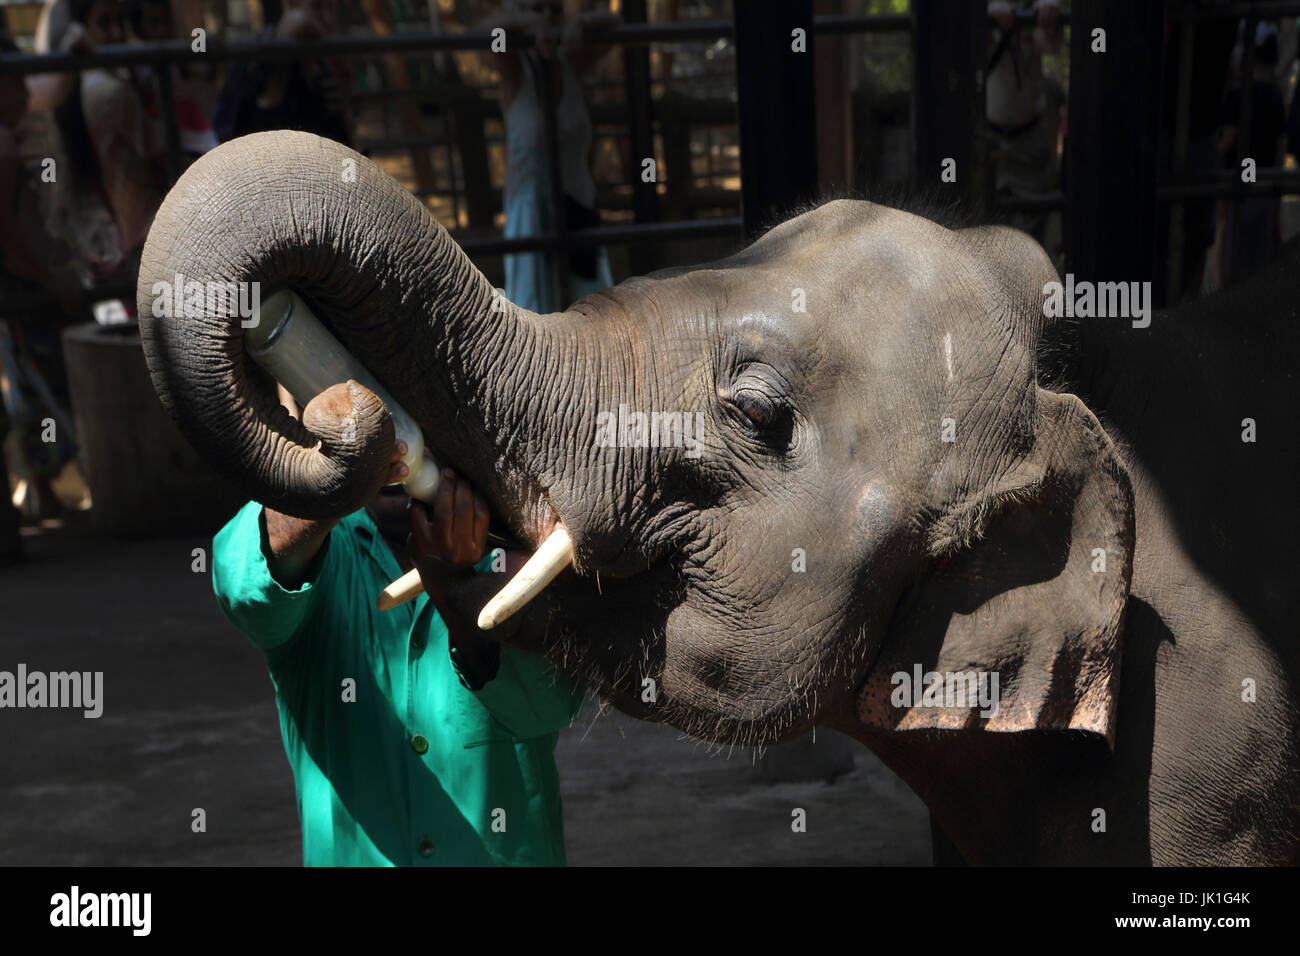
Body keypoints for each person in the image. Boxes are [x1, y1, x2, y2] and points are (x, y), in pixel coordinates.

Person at [211, 427, 585, 867]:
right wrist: (332, 478)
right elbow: (242, 586)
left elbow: (550, 704)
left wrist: (456, 590)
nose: (395, 442)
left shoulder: (522, 543)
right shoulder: (320, 549)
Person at [485, 0, 618, 314]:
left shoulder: (571, 61)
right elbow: (491, 33)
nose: (546, 17)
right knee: (535, 322)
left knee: (592, 318)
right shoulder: (512, 70)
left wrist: (580, 24)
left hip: (579, 209)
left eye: (554, 9)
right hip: (531, 219)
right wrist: (530, 27)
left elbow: (613, 22)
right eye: (535, 8)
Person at [211, 0, 353, 146]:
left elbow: (344, 129)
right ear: (291, 4)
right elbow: (260, 128)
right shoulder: (256, 56)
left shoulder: (326, 61)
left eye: (331, 8)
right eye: (317, 7)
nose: (327, 18)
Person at [986, 0, 1062, 244]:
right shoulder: (979, 11)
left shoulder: (1034, 9)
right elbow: (967, 52)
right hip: (990, 139)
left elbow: (1051, 44)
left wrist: (1049, 14)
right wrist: (988, 18)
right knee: (984, 225)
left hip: (1029, 139)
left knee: (1032, 230)